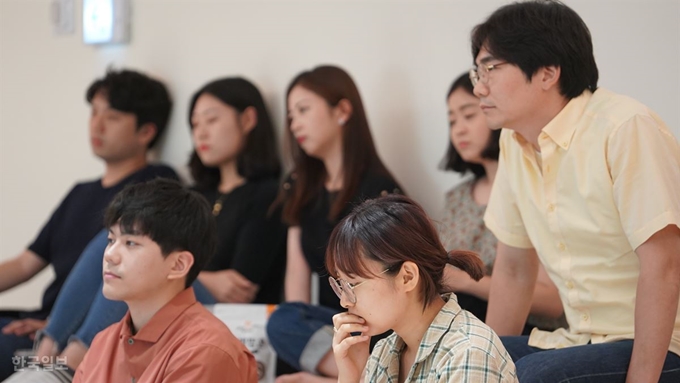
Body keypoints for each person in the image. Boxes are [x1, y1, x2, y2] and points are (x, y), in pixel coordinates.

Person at [6, 77, 286, 382]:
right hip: (177, 285)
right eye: (194, 124)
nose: (200, 132)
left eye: (211, 120)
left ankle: (58, 366)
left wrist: (192, 273)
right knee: (110, 251)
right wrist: (208, 276)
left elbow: (238, 289)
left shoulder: (267, 195)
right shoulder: (196, 194)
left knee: (116, 255)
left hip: (223, 312)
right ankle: (46, 358)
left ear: (247, 119)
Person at [471, 1, 680, 382]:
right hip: (576, 338)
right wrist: (483, 362)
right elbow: (515, 269)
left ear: (548, 72)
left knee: (532, 376)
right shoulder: (513, 144)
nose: (479, 86)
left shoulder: (624, 127)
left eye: (491, 68)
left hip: (661, 342)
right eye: (476, 71)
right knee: (454, 359)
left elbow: (663, 266)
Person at [0, 69, 177, 380]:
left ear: (146, 131)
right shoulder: (81, 192)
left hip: (69, 334)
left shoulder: (156, 186)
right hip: (46, 326)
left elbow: (140, 276)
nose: (97, 124)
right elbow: (26, 263)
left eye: (113, 116)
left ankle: (55, 366)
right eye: (94, 112)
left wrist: (58, 326)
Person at [266, 65, 402, 383]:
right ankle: (350, 375)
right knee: (284, 319)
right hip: (338, 323)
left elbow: (393, 288)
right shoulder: (302, 189)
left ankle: (359, 377)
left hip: (381, 323)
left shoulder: (378, 189)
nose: (294, 123)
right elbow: (296, 288)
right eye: (290, 115)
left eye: (303, 110)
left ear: (341, 110)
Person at [69, 178, 255, 382]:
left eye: (131, 243)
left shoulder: (205, 351)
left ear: (178, 265)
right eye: (111, 240)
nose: (110, 255)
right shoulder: (103, 343)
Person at [329, 194, 518, 383]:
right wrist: (350, 376)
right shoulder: (384, 352)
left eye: (352, 285)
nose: (344, 301)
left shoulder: (468, 355)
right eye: (341, 285)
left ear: (407, 277)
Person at [439, 72, 565, 332]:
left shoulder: (536, 185)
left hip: (527, 330)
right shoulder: (456, 198)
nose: (459, 128)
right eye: (452, 121)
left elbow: (552, 302)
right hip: (462, 321)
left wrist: (464, 281)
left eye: (469, 115)